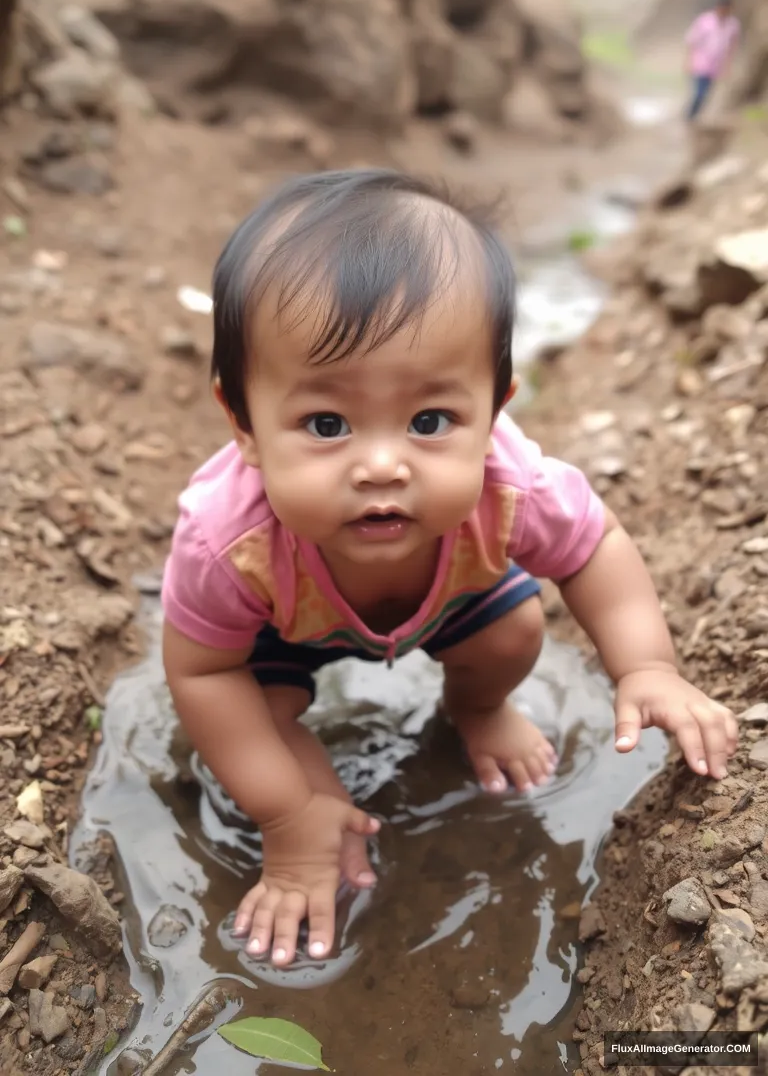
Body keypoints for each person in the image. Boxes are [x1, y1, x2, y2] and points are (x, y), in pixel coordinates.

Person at [161, 168, 738, 969]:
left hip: (451, 600)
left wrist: (646, 665)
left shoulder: (511, 486)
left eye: (431, 420)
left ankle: (474, 711)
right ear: (245, 424)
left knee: (513, 631)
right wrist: (285, 820)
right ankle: (309, 805)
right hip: (283, 628)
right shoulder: (227, 543)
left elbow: (594, 547)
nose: (383, 464)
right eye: (326, 423)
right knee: (263, 718)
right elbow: (203, 672)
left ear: (495, 407)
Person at [684, 0, 739, 120]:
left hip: (716, 65)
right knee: (700, 93)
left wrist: (728, 66)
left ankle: (692, 115)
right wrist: (688, 61)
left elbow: (732, 46)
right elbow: (692, 41)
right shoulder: (705, 21)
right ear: (717, 7)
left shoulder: (733, 24)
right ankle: (689, 117)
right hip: (700, 62)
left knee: (706, 94)